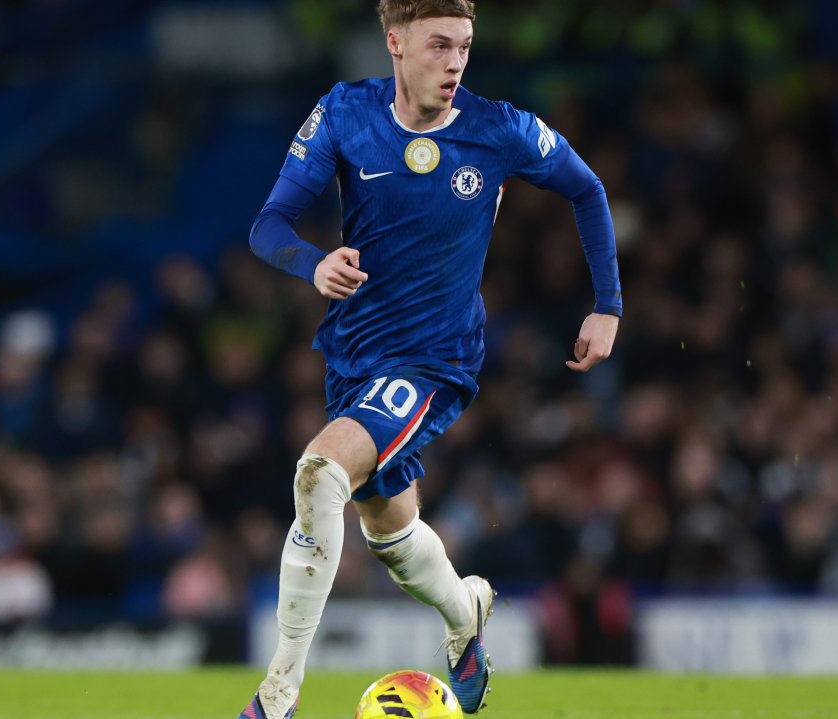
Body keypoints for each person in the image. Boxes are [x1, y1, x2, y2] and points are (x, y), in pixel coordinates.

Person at [240, 0, 621, 716]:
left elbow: (587, 188)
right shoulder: (347, 113)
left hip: (433, 358)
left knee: (320, 474)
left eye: (465, 48)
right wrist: (313, 264)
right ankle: (464, 610)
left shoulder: (498, 128)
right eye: (439, 45)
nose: (453, 63)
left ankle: (275, 695)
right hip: (355, 351)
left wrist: (608, 304)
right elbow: (270, 224)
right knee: (387, 529)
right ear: (395, 42)